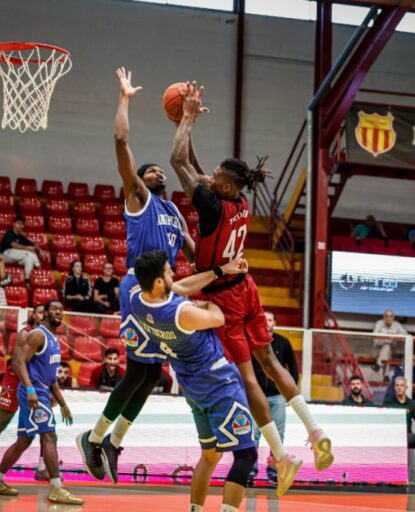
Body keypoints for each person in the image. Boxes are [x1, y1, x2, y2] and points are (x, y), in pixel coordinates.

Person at [170, 80, 332, 481]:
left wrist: (185, 119)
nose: (208, 178)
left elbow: (178, 162)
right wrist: (188, 121)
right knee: (272, 362)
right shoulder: (237, 199)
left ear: (223, 186)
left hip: (224, 296)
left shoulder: (211, 203)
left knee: (247, 376)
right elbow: (196, 169)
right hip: (248, 288)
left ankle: (281, 455)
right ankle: (316, 429)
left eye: (215, 178)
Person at [78, 67, 195, 485]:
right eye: (148, 172)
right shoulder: (139, 201)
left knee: (152, 375)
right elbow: (121, 141)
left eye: (158, 172)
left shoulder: (175, 212)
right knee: (135, 371)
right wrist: (125, 98)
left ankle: (111, 441)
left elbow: (196, 255)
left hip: (165, 291)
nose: (156, 173)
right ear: (137, 183)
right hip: (138, 289)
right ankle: (92, 440)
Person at [130, 249, 259, 508]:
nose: (173, 274)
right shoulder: (182, 313)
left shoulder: (138, 300)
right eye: (168, 271)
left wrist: (220, 271)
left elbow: (177, 288)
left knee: (210, 455)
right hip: (218, 384)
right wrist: (205, 304)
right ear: (158, 282)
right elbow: (219, 317)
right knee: (246, 455)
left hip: (192, 388)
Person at [0, 301, 83, 505]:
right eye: (54, 309)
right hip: (34, 392)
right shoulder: (38, 335)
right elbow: (18, 363)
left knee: (24, 440)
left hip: (42, 391)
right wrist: (29, 389)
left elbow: (52, 378)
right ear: (44, 313)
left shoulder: (54, 340)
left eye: (61, 309)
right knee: (49, 436)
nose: (58, 312)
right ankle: (56, 488)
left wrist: (63, 403)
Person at [0, 305, 47, 482]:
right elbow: (17, 363)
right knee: (2, 422)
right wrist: (30, 387)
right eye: (40, 312)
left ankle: (43, 468)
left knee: (44, 424)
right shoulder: (25, 334)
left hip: (32, 383)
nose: (43, 316)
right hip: (15, 381)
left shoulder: (46, 337)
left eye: (46, 313)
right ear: (33, 315)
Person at [249, 312, 299, 484]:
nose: (266, 322)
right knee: (252, 434)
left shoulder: (284, 343)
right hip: (256, 397)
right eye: (263, 319)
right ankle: (250, 471)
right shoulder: (252, 342)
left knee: (278, 435)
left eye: (269, 319)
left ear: (274, 323)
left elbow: (293, 371)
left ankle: (273, 472)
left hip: (277, 397)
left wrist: (288, 393)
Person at [383, 377, 415, 484]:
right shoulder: (388, 402)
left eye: (402, 385)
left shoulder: (413, 404)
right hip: (392, 436)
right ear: (394, 387)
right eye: (397, 385)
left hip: (406, 436)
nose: (399, 388)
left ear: (406, 388)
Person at [0, 215, 45, 280]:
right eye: (18, 223)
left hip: (16, 258)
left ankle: (27, 279)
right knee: (28, 253)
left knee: (29, 259)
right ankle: (38, 267)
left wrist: (40, 250)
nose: (20, 226)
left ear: (23, 226)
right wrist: (27, 248)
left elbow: (33, 245)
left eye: (22, 224)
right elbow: (13, 245)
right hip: (6, 254)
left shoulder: (21, 237)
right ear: (14, 224)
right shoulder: (9, 232)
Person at [372, 309, 407, 379]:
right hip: (377, 349)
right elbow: (374, 338)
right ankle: (386, 376)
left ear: (393, 318)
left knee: (387, 347)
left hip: (391, 350)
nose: (388, 318)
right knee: (387, 349)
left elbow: (406, 335)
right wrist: (387, 339)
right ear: (383, 317)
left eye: (390, 316)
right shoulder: (379, 323)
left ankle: (378, 364)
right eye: (386, 316)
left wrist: (395, 338)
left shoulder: (397, 325)